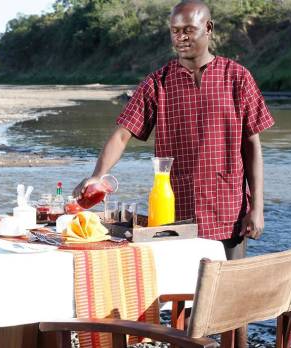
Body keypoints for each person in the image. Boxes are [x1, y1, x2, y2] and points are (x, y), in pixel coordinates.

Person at [73, 1, 274, 346]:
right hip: (175, 213)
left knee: (233, 303)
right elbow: (123, 133)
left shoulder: (237, 78)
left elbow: (252, 145)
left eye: (188, 30)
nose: (180, 37)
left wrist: (256, 207)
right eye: (175, 31)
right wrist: (97, 175)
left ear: (208, 29)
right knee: (182, 296)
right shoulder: (158, 84)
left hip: (229, 209)